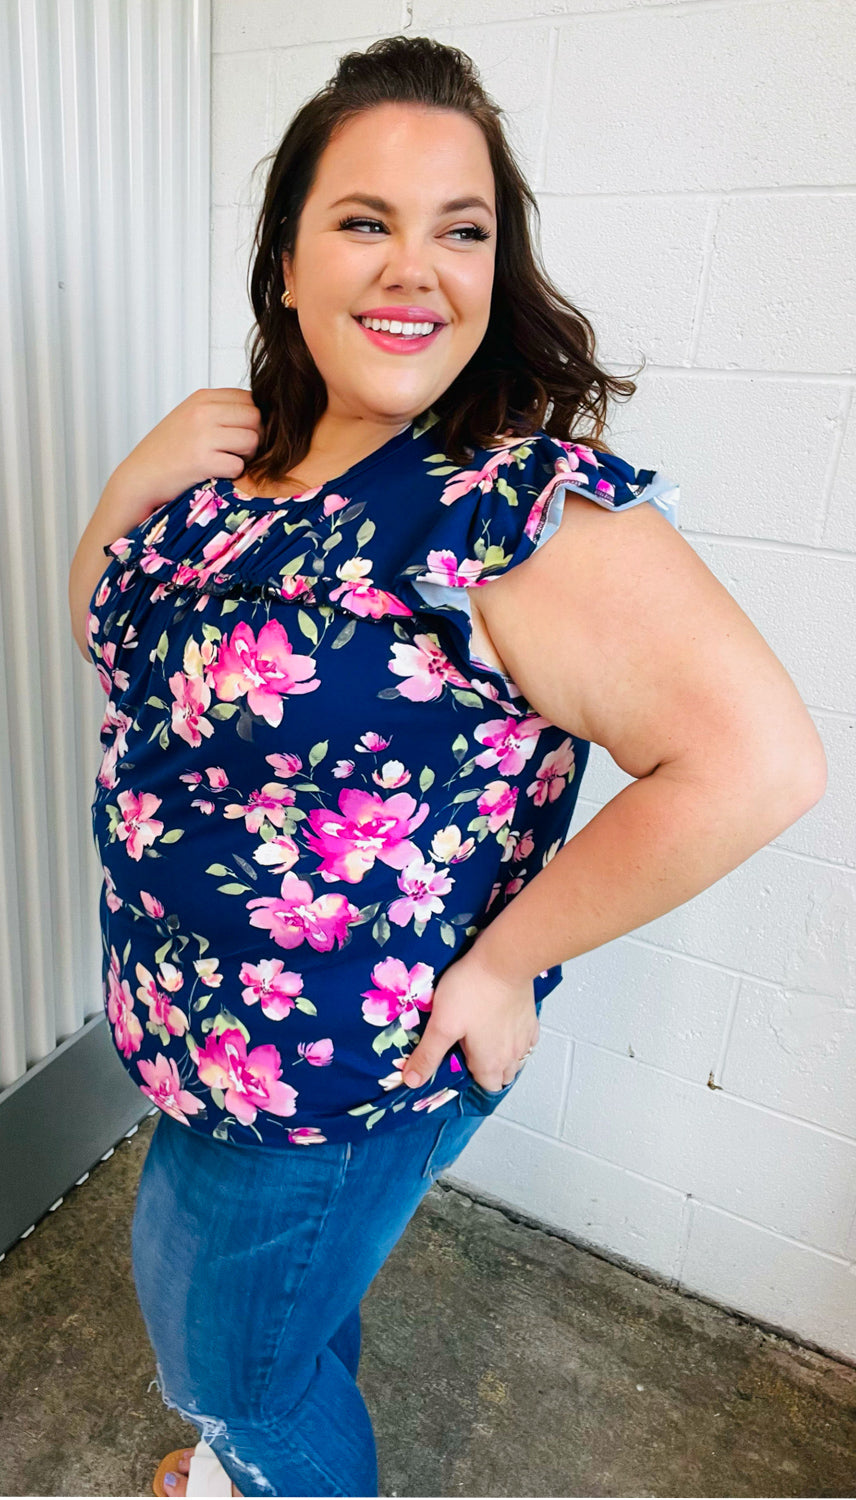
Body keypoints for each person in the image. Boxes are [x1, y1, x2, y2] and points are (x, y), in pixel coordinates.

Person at [67, 34, 826, 1500]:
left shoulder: (506, 513)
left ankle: (266, 1453)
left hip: (336, 1078)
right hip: (197, 1037)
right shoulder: (230, 478)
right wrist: (130, 487)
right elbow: (117, 649)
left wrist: (505, 965)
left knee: (225, 1371)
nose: (417, 267)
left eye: (460, 230)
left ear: (497, 268)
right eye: (367, 221)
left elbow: (758, 761)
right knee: (290, 1327)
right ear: (286, 262)